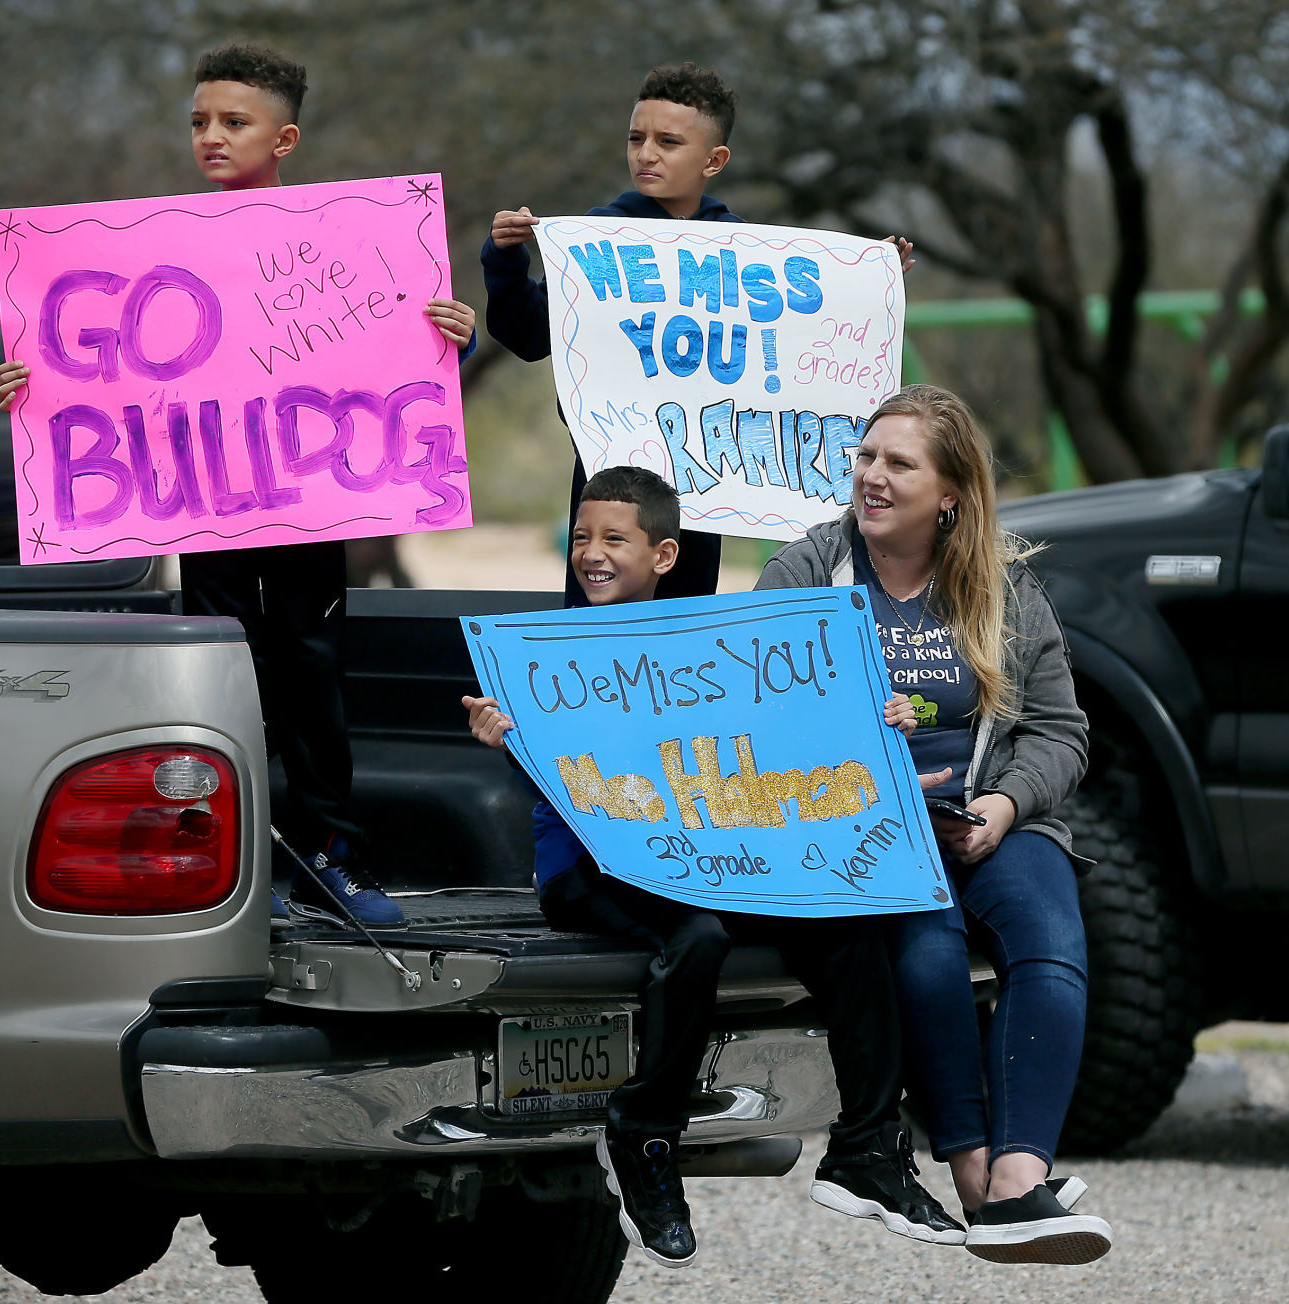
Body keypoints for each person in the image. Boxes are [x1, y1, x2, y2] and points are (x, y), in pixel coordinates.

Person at [0, 43, 477, 928]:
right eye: (199, 122)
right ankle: (232, 861)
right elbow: (105, 370)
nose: (210, 137)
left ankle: (332, 862)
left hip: (303, 503)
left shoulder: (347, 237)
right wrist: (31, 387)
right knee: (221, 673)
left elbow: (387, 352)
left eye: (233, 122)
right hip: (202, 506)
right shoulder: (155, 241)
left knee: (309, 669)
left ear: (282, 137)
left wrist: (452, 335)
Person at [462, 466, 962, 1269]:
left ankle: (867, 1147)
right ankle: (644, 1137)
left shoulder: (707, 647)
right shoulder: (546, 658)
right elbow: (567, 782)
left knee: (848, 932)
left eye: (612, 540)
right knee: (695, 938)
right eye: (582, 539)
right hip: (591, 870)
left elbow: (795, 731)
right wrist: (508, 739)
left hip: (711, 855)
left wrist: (881, 712)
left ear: (663, 556)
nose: (591, 555)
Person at [755, 384, 1113, 1264]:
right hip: (865, 828)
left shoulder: (1003, 588)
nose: (871, 476)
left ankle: (1020, 1179)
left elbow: (1061, 732)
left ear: (950, 492)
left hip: (985, 816)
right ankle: (971, 1171)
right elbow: (754, 707)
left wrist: (1001, 806)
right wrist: (848, 735)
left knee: (1050, 934)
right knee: (926, 949)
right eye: (866, 457)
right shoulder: (807, 570)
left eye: (897, 463)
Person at [481, 61, 913, 608]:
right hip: (610, 487)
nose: (647, 154)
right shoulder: (597, 238)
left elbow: (806, 339)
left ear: (715, 160)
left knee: (686, 625)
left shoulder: (743, 250)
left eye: (668, 141)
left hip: (704, 484)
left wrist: (871, 275)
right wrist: (503, 259)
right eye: (636, 138)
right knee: (596, 624)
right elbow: (526, 336)